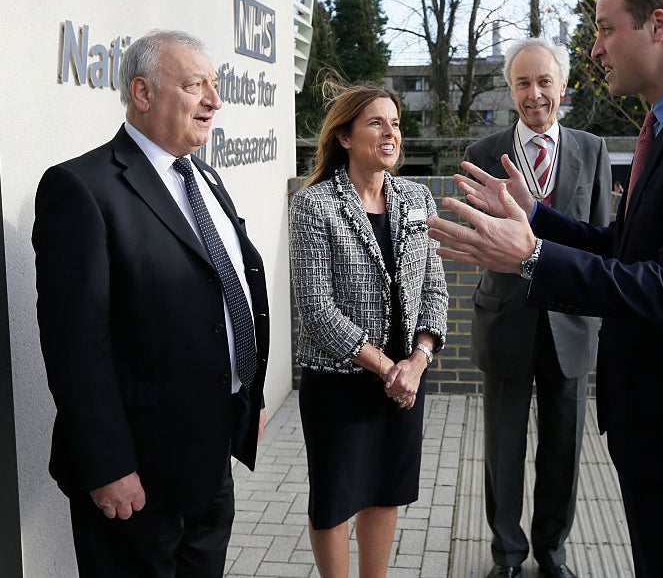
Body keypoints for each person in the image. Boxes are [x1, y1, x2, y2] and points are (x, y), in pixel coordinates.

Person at [426, 0, 663, 577]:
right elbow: (626, 245)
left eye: (603, 29)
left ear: (658, 25)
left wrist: (532, 256)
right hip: (652, 419)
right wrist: (536, 217)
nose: (593, 49)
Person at [32, 30, 269, 578]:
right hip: (137, 473)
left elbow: (230, 291)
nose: (214, 100)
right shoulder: (81, 188)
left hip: (208, 459)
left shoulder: (204, 176)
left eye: (215, 85)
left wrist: (248, 398)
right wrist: (108, 465)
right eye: (195, 86)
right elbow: (75, 345)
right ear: (142, 92)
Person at [464, 38, 611, 578]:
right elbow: (478, 239)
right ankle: (507, 555)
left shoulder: (593, 151)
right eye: (523, 83)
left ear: (563, 87)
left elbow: (598, 242)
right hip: (506, 318)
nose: (534, 94)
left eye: (544, 81)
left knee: (563, 450)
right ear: (510, 90)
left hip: (570, 324)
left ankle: (552, 551)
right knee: (502, 448)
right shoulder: (484, 152)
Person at [289, 84, 448, 578]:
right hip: (341, 384)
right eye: (377, 122)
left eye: (395, 123)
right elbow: (316, 309)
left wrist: (417, 362)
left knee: (385, 493)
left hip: (404, 385)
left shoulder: (417, 198)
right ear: (344, 137)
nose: (390, 132)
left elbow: (435, 292)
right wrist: (387, 368)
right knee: (336, 501)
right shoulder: (315, 206)